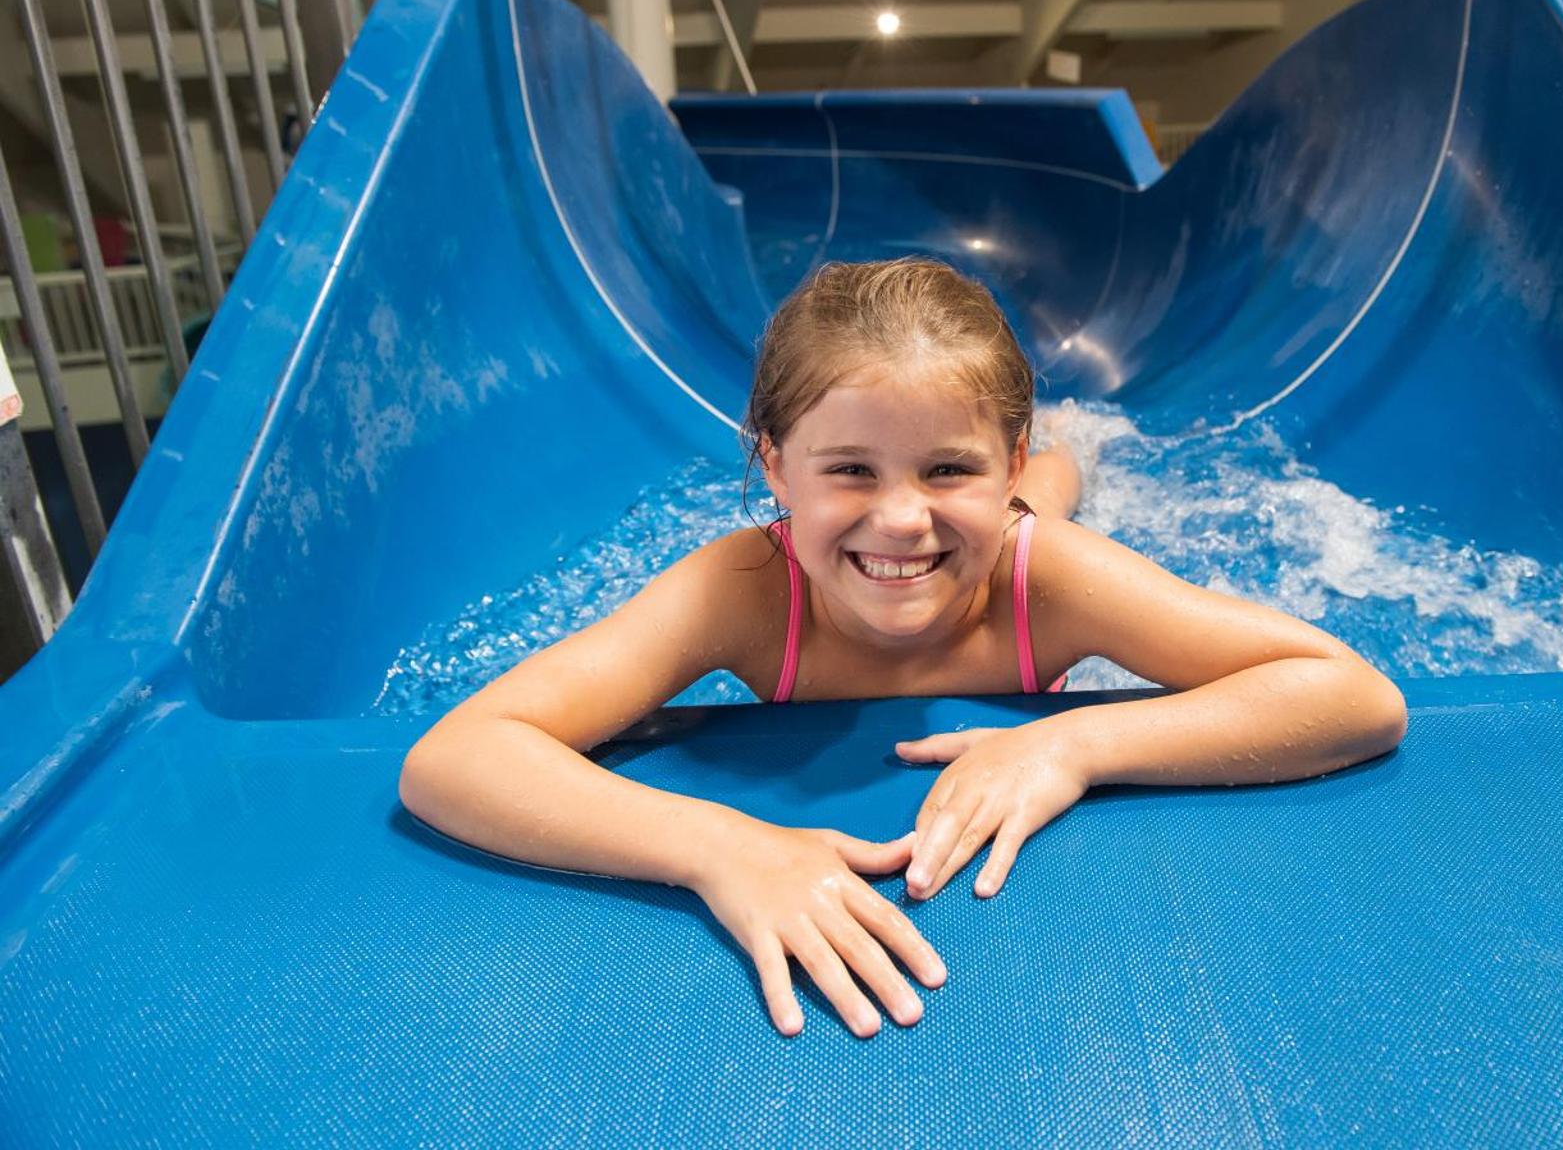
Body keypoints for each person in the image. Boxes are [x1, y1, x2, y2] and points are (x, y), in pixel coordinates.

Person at [399, 259, 1407, 1038]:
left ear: (999, 462)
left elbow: (1354, 694)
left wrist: (1073, 746)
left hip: (1016, 542)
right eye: (848, 469)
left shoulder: (1049, 578)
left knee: (1049, 510)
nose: (899, 517)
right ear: (774, 467)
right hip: (979, 528)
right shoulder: (742, 590)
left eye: (949, 468)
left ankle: (1062, 460)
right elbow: (455, 755)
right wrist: (717, 847)